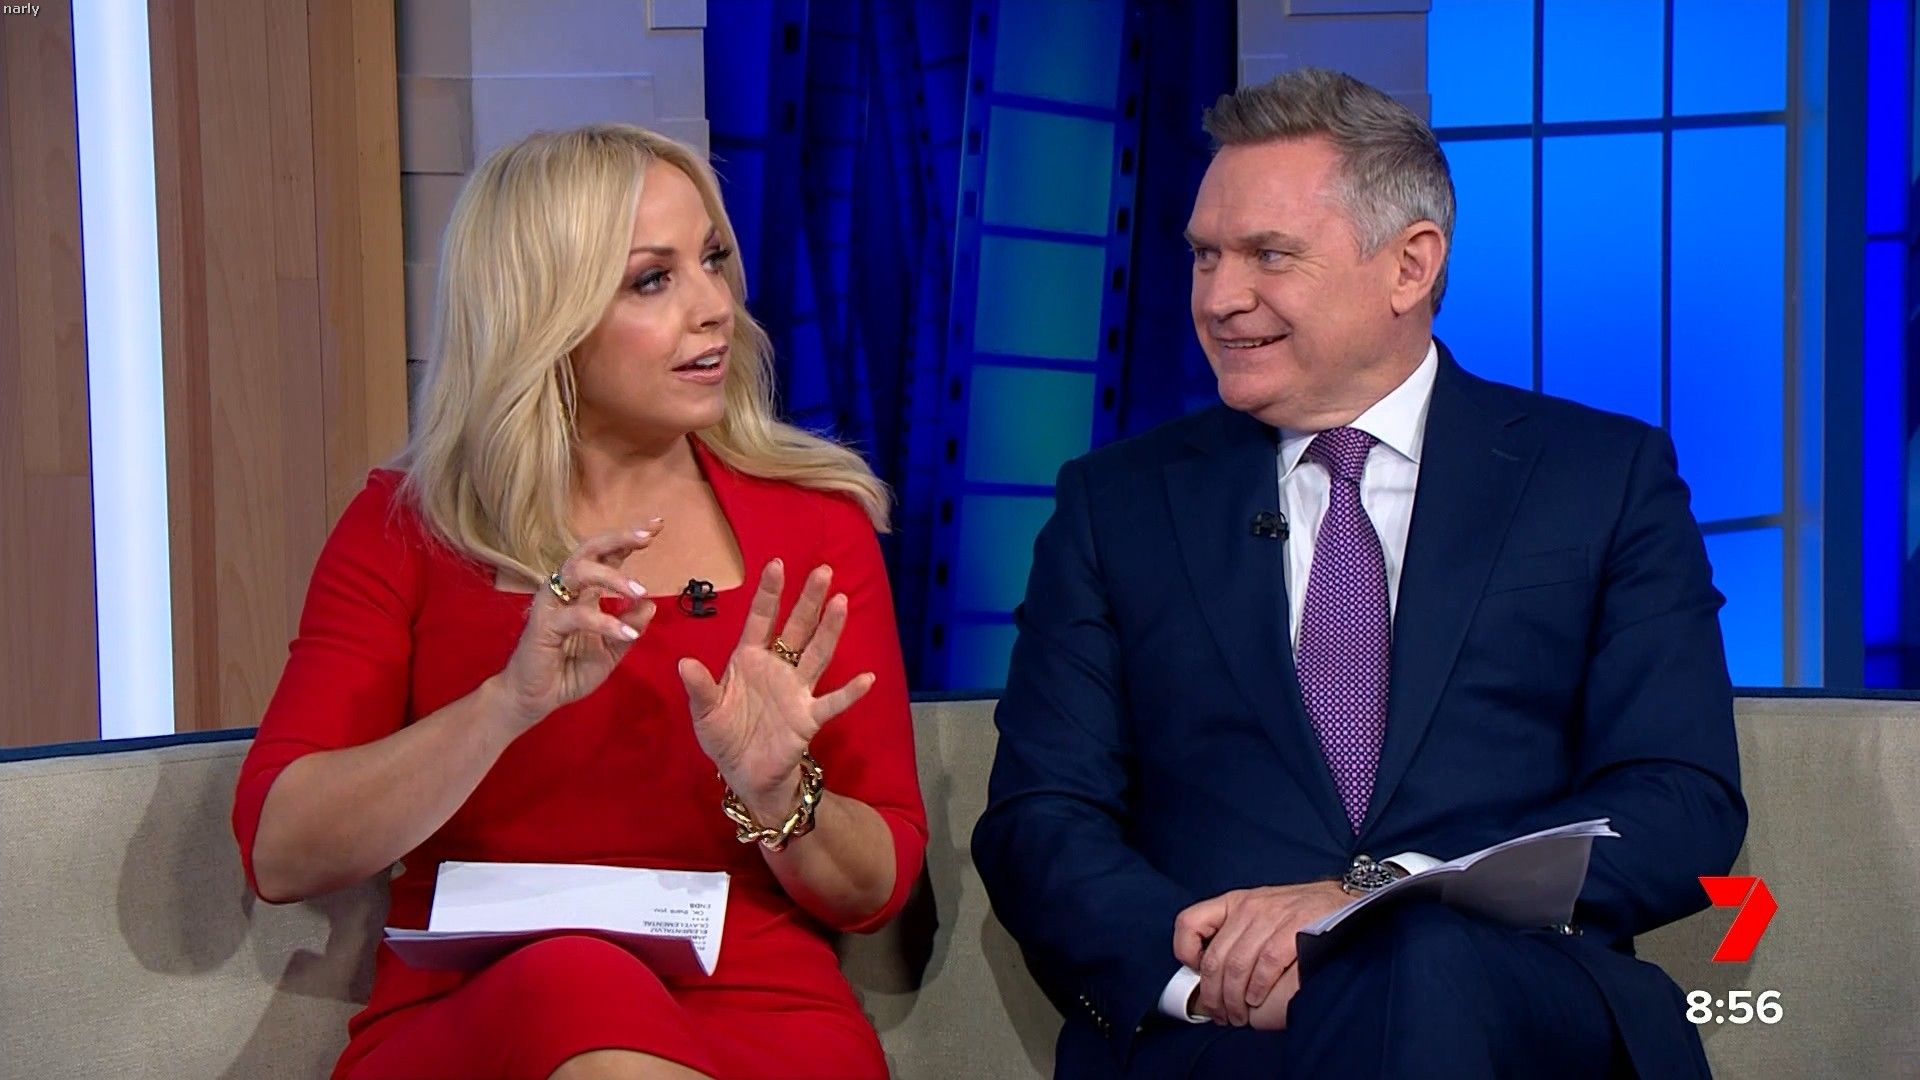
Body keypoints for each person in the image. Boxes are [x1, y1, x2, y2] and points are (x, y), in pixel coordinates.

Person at [971, 68, 1745, 1078]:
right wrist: (1212, 975)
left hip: (1512, 1006)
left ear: (1410, 266)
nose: (1220, 298)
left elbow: (1681, 801)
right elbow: (1040, 820)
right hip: (1230, 1029)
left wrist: (1379, 899)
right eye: (1204, 256)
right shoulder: (1116, 505)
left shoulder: (1600, 478)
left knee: (1418, 964)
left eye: (1268, 254)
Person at [232, 124, 926, 1080]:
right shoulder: (405, 530)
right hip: (477, 1007)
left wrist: (780, 798)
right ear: (542, 315)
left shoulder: (816, 529)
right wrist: (503, 706)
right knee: (576, 981)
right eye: (653, 280)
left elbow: (876, 889)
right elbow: (282, 852)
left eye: (712, 261)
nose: (714, 307)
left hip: (758, 1005)